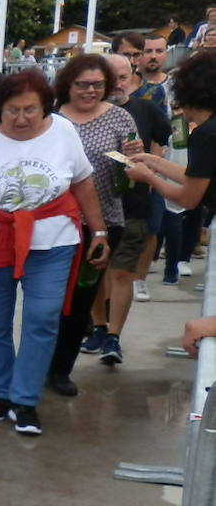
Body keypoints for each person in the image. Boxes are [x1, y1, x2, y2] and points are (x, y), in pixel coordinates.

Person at [0, 68, 110, 433]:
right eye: (12, 110)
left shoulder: (63, 132)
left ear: (46, 108)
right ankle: (2, 392)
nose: (21, 118)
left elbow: (83, 181)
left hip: (54, 240)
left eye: (30, 110)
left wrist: (98, 230)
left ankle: (25, 400)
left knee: (42, 316)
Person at [49, 55, 140, 377]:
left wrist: (132, 163)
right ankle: (38, 362)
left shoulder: (120, 119)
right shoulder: (52, 118)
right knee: (49, 301)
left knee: (79, 300)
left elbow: (130, 177)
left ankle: (60, 370)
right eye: (82, 85)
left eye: (97, 85)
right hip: (55, 223)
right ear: (68, 85)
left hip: (104, 223)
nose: (89, 91)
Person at [128, 53, 216, 270]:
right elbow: (197, 176)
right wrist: (154, 161)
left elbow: (187, 198)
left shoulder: (205, 134)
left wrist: (148, 177)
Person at [101, 53, 169, 326]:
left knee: (120, 273)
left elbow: (169, 139)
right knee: (96, 274)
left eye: (123, 77)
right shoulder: (82, 112)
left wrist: (151, 167)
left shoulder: (146, 109)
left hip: (133, 205)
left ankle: (112, 337)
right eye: (111, 78)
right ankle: (97, 326)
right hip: (93, 208)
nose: (117, 84)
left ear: (132, 78)